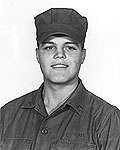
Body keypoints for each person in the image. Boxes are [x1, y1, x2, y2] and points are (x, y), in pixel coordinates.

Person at [0, 8, 120, 150]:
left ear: (83, 55)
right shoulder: (7, 115)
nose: (59, 54)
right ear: (38, 55)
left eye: (70, 47)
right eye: (49, 47)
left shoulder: (106, 120)